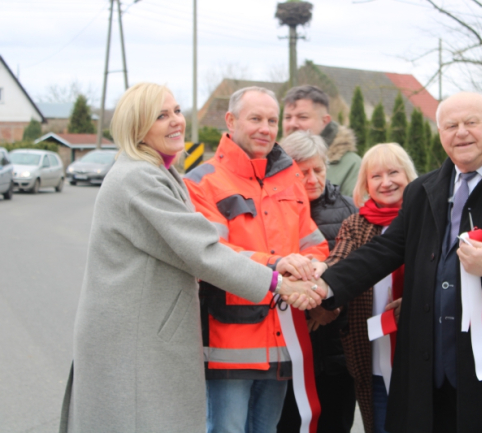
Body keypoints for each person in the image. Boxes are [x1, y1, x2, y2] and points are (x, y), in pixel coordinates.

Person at [59, 83, 323, 433]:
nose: (176, 122)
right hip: (135, 339)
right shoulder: (139, 178)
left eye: (178, 111)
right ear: (137, 126)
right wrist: (278, 281)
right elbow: (203, 251)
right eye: (161, 116)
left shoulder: (157, 171)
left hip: (153, 334)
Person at [316, 92, 482, 432]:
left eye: (471, 122)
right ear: (440, 132)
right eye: (451, 125)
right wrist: (327, 284)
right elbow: (384, 250)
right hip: (429, 374)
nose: (461, 132)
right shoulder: (422, 190)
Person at [183, 87, 329, 433]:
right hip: (231, 340)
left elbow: (312, 241)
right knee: (227, 429)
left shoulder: (290, 178)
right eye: (256, 119)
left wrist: (312, 270)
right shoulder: (203, 181)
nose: (265, 128)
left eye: (272, 120)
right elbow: (211, 254)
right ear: (231, 121)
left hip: (282, 337)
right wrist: (278, 266)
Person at [322, 142, 417, 433]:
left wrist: (412, 302)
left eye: (393, 172)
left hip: (417, 350)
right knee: (380, 422)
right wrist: (321, 282)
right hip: (371, 350)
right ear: (365, 184)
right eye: (376, 176)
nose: (386, 182)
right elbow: (338, 262)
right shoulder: (355, 224)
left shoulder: (427, 219)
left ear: (409, 176)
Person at [276, 130, 358, 432]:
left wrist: (332, 308)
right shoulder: (273, 210)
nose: (312, 178)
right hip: (288, 350)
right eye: (303, 171)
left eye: (318, 169)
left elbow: (359, 272)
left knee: (336, 422)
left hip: (336, 348)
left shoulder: (348, 210)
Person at [283, 84, 362, 196]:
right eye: (287, 117)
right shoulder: (270, 161)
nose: (292, 124)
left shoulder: (352, 166)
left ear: (325, 121)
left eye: (302, 117)